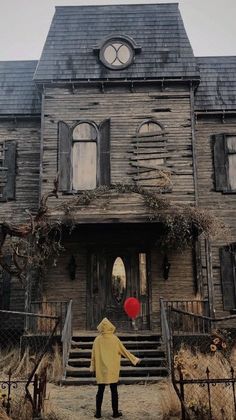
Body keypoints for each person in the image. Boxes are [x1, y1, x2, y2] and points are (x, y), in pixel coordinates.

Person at [90, 317, 141, 418]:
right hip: (112, 369)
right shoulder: (115, 339)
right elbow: (124, 351)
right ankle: (115, 413)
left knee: (100, 391)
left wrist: (92, 367)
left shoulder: (97, 340)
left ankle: (98, 413)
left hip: (101, 370)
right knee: (114, 391)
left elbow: (93, 356)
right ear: (110, 327)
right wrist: (134, 359)